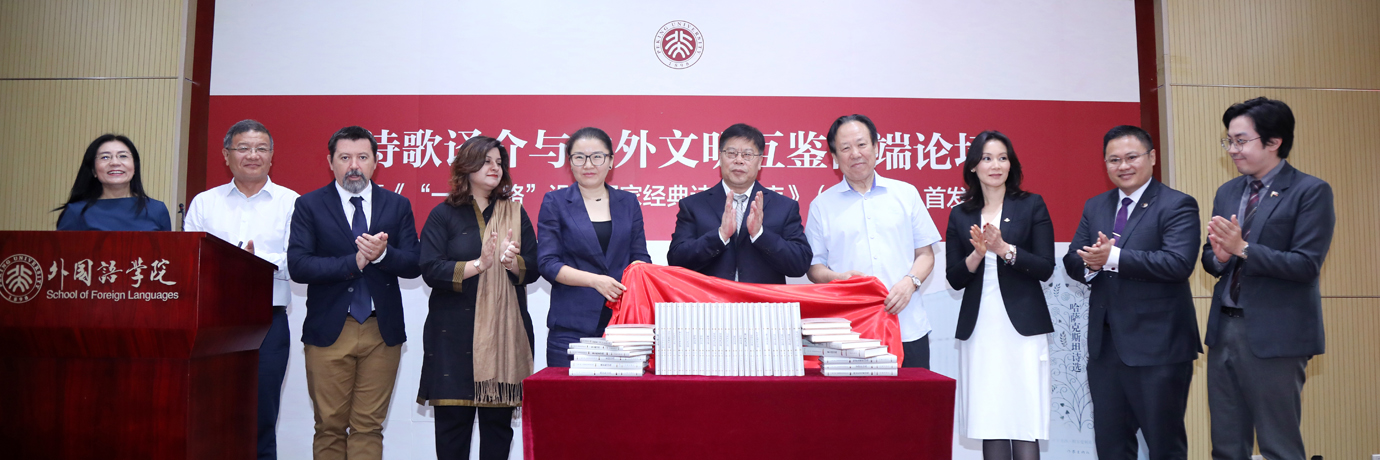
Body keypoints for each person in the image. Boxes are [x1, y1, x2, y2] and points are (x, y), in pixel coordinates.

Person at [1202, 98, 1333, 460]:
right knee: (1226, 446)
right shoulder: (1228, 192)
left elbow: (1306, 265)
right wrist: (1221, 256)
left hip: (1277, 334)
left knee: (1279, 445)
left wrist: (1242, 248)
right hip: (1224, 329)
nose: (1232, 149)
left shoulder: (1310, 191)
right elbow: (1211, 256)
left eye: (1241, 141)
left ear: (1274, 141)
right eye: (1228, 141)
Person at [1064, 125, 1201, 460]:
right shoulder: (1096, 205)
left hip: (1159, 348)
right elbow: (1072, 259)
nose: (1123, 166)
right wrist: (1091, 263)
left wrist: (1112, 258)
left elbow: (1178, 263)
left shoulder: (1177, 204)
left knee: (1164, 446)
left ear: (1151, 157)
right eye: (1114, 160)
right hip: (1106, 349)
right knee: (1111, 446)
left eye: (1131, 157)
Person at [287, 126, 421, 460]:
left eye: (362, 157)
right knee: (329, 427)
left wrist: (383, 255)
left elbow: (415, 263)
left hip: (381, 331)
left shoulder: (397, 205)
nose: (354, 166)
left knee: (368, 427)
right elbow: (299, 265)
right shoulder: (309, 205)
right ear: (330, 162)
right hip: (330, 329)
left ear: (376, 162)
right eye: (345, 158)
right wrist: (355, 261)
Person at [183, 120, 299, 460]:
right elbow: (191, 261)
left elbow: (297, 262)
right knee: (211, 412)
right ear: (226, 154)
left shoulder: (291, 202)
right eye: (243, 148)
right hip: (211, 322)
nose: (253, 155)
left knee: (262, 415)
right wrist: (237, 261)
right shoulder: (205, 203)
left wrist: (252, 260)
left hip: (268, 321)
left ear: (272, 156)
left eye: (261, 149)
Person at [418, 136, 537, 460]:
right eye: (486, 161)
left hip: (503, 339)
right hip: (453, 338)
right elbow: (430, 268)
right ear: (466, 167)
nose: (494, 168)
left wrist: (512, 263)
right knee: (452, 433)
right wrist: (479, 264)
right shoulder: (443, 214)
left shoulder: (515, 213)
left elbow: (534, 267)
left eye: (499, 163)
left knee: (497, 432)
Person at [945, 131, 1054, 460]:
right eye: (987, 158)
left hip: (1022, 327)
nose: (996, 165)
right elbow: (954, 278)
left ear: (1011, 164)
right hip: (981, 328)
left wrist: (1004, 249)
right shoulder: (961, 214)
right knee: (990, 418)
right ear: (973, 166)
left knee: (1024, 420)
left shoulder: (1031, 204)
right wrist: (978, 254)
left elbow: (1045, 267)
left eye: (1003, 158)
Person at [804, 114, 941, 368]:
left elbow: (925, 254)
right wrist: (839, 279)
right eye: (845, 148)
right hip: (849, 332)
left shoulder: (906, 194)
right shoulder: (822, 205)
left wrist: (910, 283)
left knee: (914, 394)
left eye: (862, 144)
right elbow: (814, 267)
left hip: (907, 325)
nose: (855, 154)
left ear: (877, 147)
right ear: (834, 157)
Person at [537, 127, 651, 367]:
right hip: (571, 328)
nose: (588, 164)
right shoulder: (555, 202)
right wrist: (595, 281)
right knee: (566, 393)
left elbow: (640, 258)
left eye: (597, 156)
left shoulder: (628, 202)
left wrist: (638, 274)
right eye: (579, 157)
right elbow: (548, 263)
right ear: (570, 162)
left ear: (611, 161)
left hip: (622, 327)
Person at [667, 122, 812, 283]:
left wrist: (760, 234)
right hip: (710, 299)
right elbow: (676, 260)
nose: (739, 160)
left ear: (760, 161)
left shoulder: (784, 207)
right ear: (720, 158)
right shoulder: (693, 206)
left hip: (761, 300)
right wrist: (720, 235)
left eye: (747, 154)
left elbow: (800, 264)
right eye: (731, 153)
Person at [55, 134, 172, 231]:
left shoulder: (157, 209)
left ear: (135, 167)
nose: (115, 163)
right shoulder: (75, 212)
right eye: (105, 157)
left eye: (123, 156)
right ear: (93, 170)